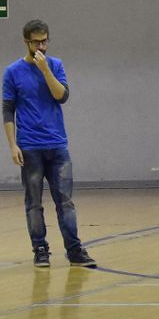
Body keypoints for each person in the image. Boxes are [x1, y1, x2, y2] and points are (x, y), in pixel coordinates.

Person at [2, 19, 94, 269]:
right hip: (29, 147)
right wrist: (13, 146)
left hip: (57, 145)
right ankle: (40, 250)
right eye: (36, 41)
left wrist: (45, 71)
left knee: (65, 201)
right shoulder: (12, 72)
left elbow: (61, 96)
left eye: (44, 41)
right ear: (26, 42)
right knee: (33, 202)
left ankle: (74, 250)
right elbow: (8, 111)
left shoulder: (55, 65)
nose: (41, 46)